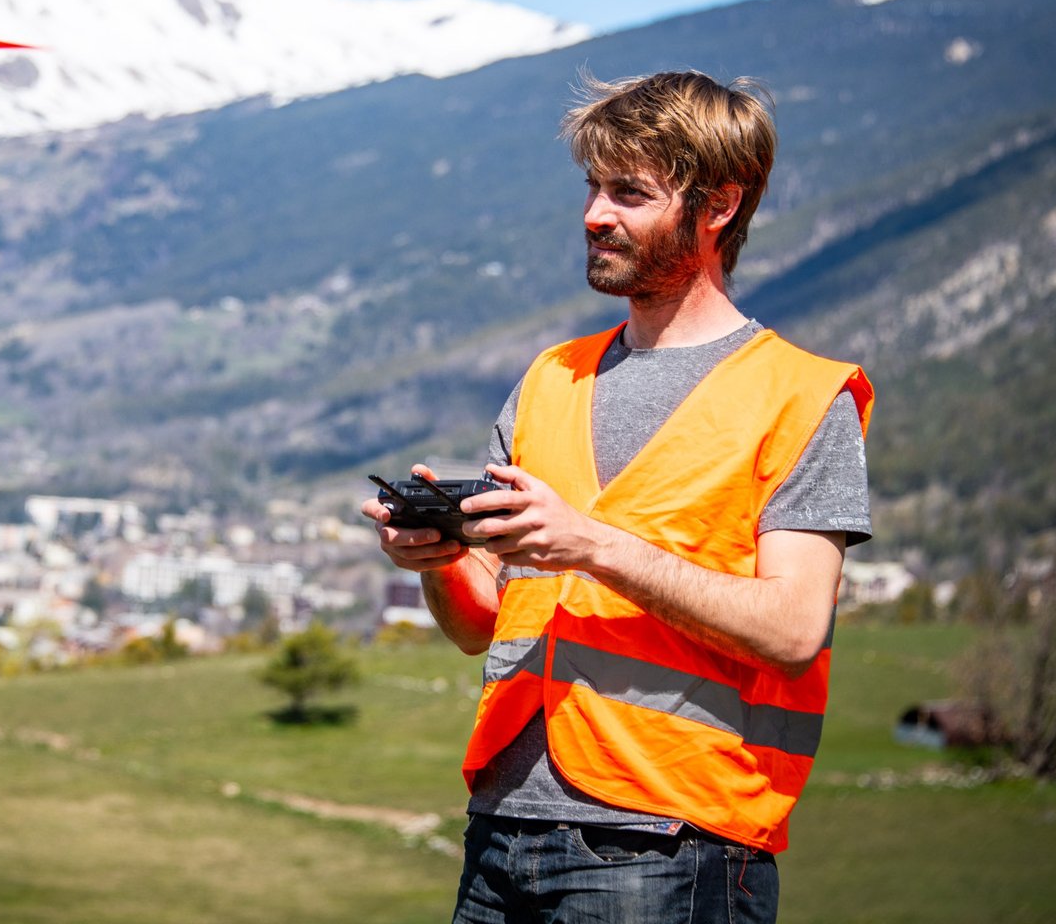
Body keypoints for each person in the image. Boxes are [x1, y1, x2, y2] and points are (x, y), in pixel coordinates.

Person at [365, 70, 871, 923]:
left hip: (669, 841)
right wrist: (439, 559)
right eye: (594, 188)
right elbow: (479, 626)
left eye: (629, 193)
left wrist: (592, 543)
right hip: (502, 827)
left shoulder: (802, 397)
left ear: (717, 209)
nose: (595, 214)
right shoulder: (548, 380)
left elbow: (793, 630)